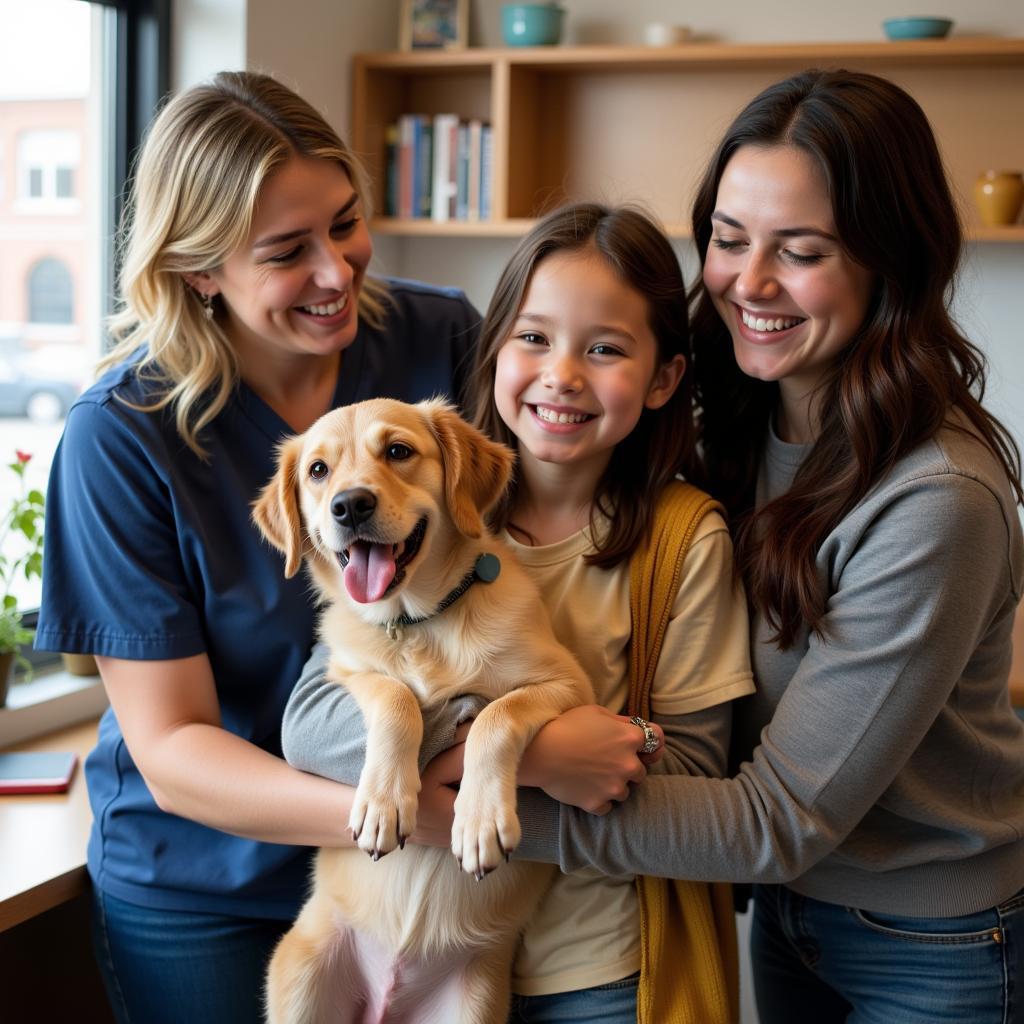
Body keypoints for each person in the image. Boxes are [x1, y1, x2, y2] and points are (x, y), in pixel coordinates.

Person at [295, 68, 1024, 1022]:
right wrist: (492, 760)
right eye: (727, 240)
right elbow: (316, 707)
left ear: (890, 259)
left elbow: (773, 814)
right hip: (786, 919)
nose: (749, 282)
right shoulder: (734, 431)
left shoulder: (934, 501)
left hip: (928, 935)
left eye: (798, 250)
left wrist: (485, 793)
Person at [32, 70, 494, 1024]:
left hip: (431, 875)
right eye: (288, 251)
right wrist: (414, 813)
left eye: (347, 221)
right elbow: (173, 746)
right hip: (211, 883)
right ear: (199, 268)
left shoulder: (438, 338)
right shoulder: (122, 437)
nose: (337, 271)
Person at [281, 202, 755, 1022]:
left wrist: (510, 763)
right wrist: (513, 754)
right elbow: (313, 725)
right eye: (532, 337)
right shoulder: (423, 532)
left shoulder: (686, 539)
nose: (561, 374)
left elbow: (694, 783)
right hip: (385, 932)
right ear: (493, 349)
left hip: (598, 966)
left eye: (604, 348)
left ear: (664, 377)